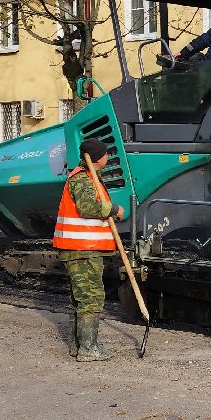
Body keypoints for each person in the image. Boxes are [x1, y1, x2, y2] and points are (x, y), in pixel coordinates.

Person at [53, 138, 126, 362]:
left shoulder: (85, 177)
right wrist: (113, 209)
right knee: (91, 298)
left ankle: (80, 346)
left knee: (81, 297)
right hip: (83, 248)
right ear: (98, 157)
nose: (108, 157)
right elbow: (87, 207)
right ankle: (88, 349)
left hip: (82, 248)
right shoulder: (83, 179)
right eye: (105, 154)